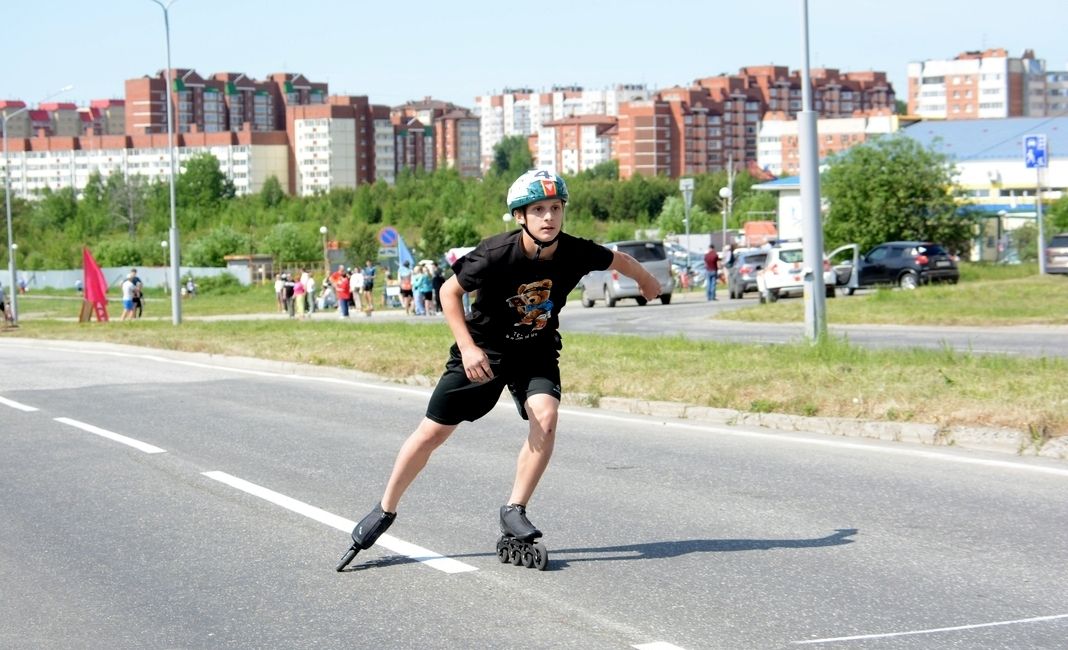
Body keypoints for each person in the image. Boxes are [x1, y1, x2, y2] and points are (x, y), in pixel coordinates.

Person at [337, 168, 661, 570]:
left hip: (535, 349)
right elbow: (449, 292)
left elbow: (621, 260)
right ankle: (385, 508)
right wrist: (467, 348)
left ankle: (514, 509)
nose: (549, 217)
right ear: (520, 216)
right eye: (538, 209)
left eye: (555, 208)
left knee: (546, 417)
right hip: (484, 352)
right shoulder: (495, 253)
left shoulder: (576, 251)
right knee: (433, 433)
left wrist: (647, 281)